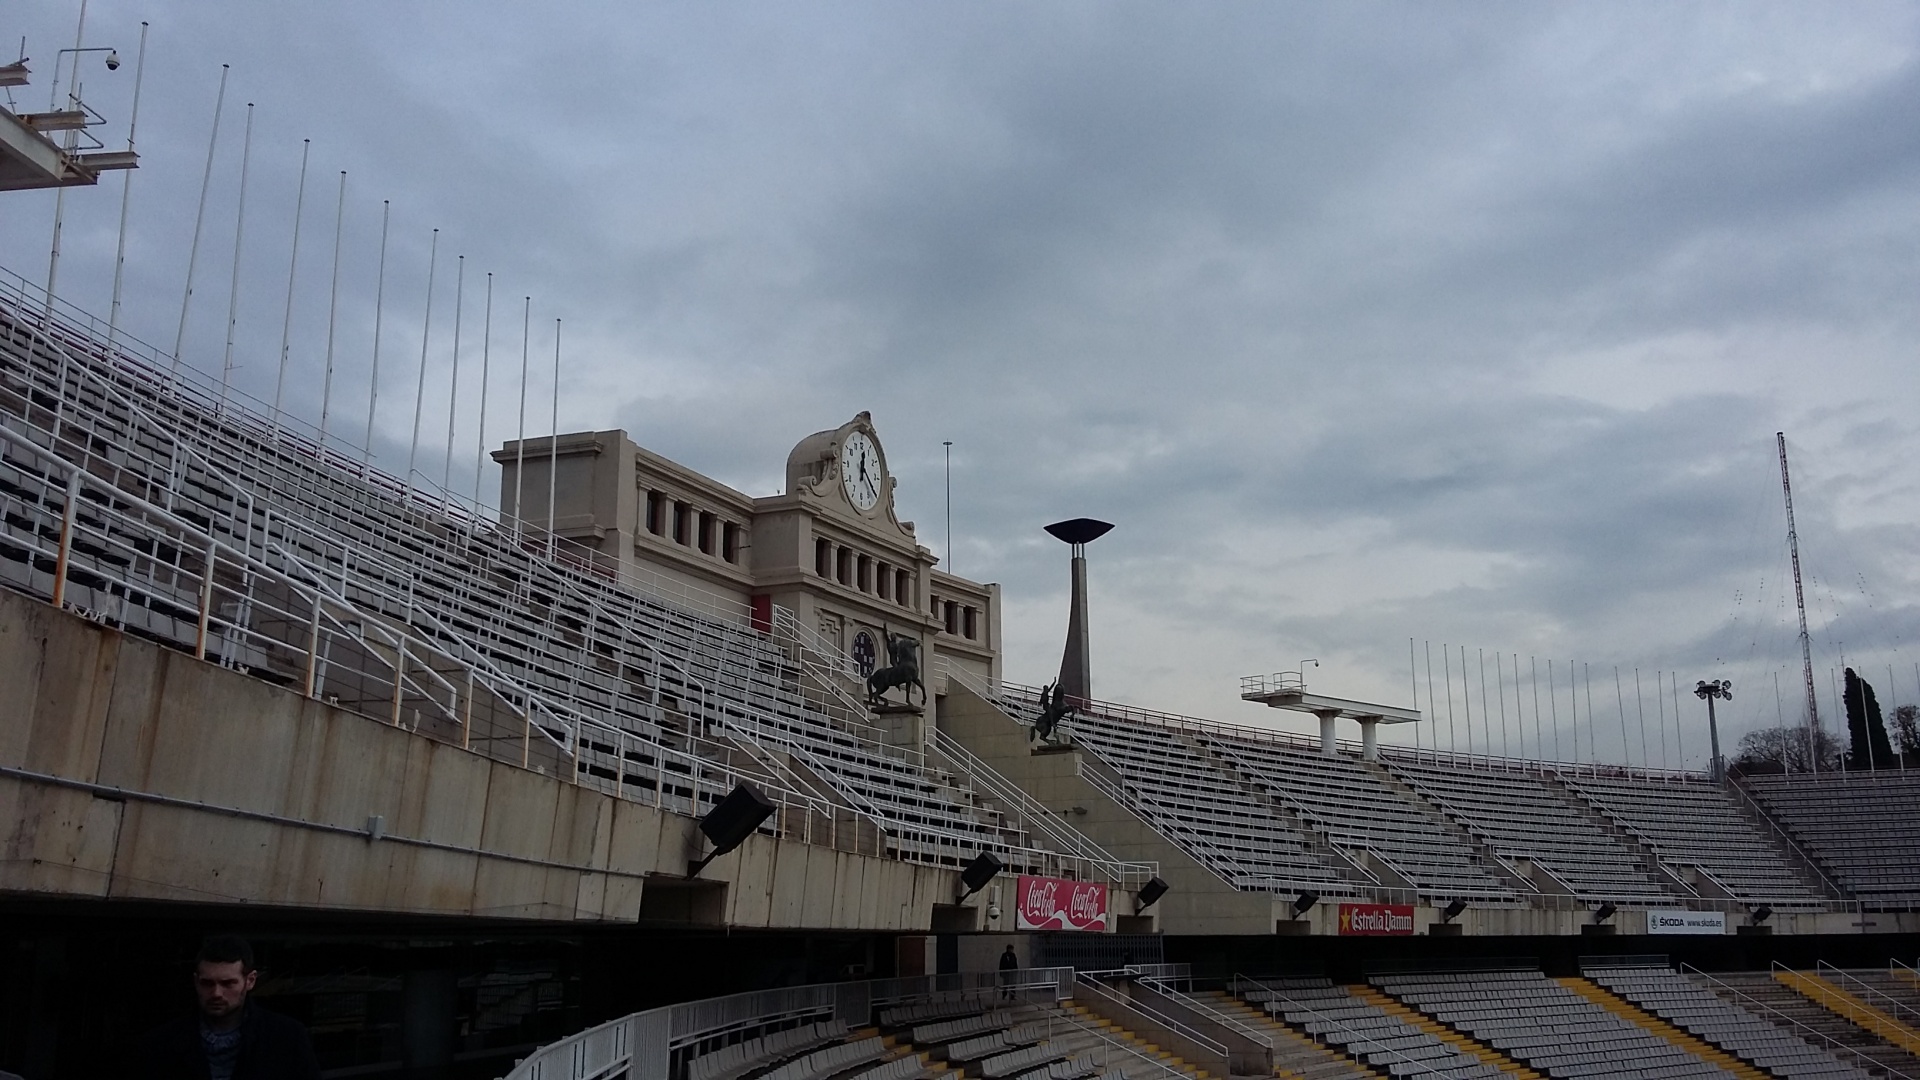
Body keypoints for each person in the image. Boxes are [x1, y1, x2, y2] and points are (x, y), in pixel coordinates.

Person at [137, 935, 321, 1080]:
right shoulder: (161, 1042)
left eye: (228, 983)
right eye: (207, 983)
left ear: (250, 981)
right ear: (195, 982)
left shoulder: (287, 1037)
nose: (216, 993)